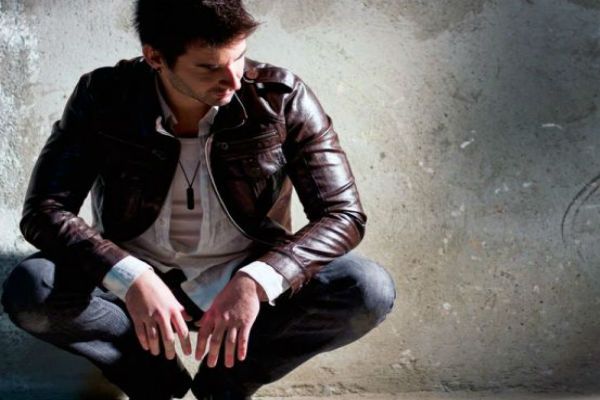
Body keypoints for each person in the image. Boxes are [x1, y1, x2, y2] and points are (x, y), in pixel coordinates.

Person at [1, 1, 396, 399]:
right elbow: (44, 211)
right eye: (209, 67)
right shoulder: (103, 97)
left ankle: (225, 384)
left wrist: (257, 280)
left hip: (245, 276)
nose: (233, 79)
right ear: (155, 57)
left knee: (366, 288)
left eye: (239, 58)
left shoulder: (281, 98)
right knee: (33, 290)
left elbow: (342, 214)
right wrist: (130, 276)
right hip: (134, 284)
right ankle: (153, 380)